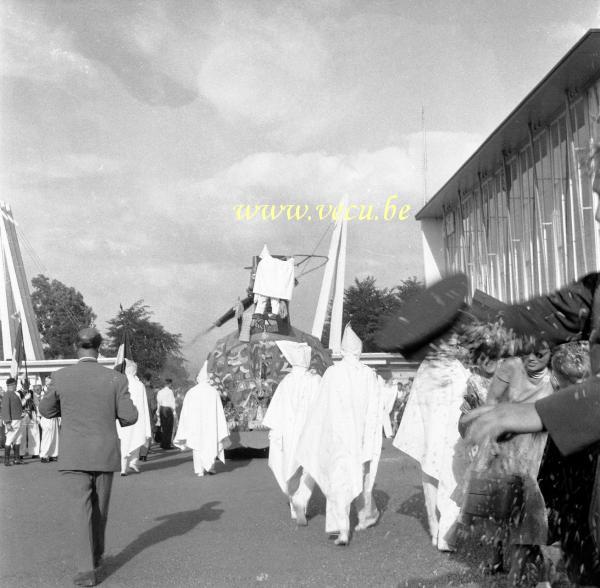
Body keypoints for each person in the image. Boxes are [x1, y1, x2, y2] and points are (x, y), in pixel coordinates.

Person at [40, 327, 137, 587]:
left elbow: (45, 410)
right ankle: (95, 557)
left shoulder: (60, 377)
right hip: (104, 454)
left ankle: (86, 570)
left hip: (73, 454)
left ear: (76, 346)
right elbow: (130, 417)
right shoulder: (116, 379)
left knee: (80, 511)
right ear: (99, 346)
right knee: (99, 510)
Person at [296, 323, 388, 546]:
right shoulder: (368, 375)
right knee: (356, 479)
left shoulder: (333, 373)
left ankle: (342, 529)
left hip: (336, 436)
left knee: (338, 482)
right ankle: (364, 517)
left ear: (343, 351)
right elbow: (376, 409)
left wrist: (316, 434)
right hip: (358, 439)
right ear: (359, 351)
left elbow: (320, 407)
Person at [394, 336, 470, 552]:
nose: (455, 348)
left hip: (452, 436)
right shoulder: (433, 368)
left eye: (456, 345)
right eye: (452, 344)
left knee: (447, 479)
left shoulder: (455, 369)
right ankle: (440, 529)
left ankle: (443, 530)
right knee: (441, 479)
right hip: (437, 436)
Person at [262, 341, 320, 524]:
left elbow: (276, 409)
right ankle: (301, 500)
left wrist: (275, 430)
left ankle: (294, 503)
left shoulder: (286, 382)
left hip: (287, 431)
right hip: (309, 431)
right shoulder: (315, 380)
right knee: (310, 469)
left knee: (288, 467)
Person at [173, 361, 229, 477]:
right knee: (211, 442)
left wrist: (186, 425)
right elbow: (219, 412)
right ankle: (211, 467)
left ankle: (199, 470)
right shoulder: (213, 392)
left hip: (195, 425)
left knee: (197, 446)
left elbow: (185, 413)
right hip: (210, 425)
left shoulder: (191, 392)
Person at [117, 359, 151, 476]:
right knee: (137, 438)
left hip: (124, 418)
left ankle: (123, 468)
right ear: (134, 371)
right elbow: (144, 405)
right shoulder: (139, 385)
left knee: (125, 442)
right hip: (137, 418)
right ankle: (133, 462)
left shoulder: (121, 383)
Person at [2, 377, 24, 466]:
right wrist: (7, 423)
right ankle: (6, 461)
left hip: (18, 419)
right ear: (11, 385)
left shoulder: (13, 394)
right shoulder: (7, 394)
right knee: (10, 439)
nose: (16, 386)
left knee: (18, 439)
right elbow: (5, 409)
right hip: (12, 421)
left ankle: (16, 459)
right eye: (15, 384)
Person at [39, 375, 59, 463]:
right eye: (46, 381)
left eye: (48, 381)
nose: (47, 382)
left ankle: (53, 454)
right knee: (47, 436)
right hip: (46, 416)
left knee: (55, 436)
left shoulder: (54, 389)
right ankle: (44, 455)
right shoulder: (43, 391)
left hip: (54, 415)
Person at [19, 378, 40, 459]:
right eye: (26, 383)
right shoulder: (18, 393)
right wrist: (25, 399)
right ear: (22, 384)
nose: (27, 384)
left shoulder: (32, 392)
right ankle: (21, 453)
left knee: (35, 433)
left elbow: (36, 404)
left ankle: (35, 452)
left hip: (32, 414)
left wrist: (38, 416)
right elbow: (18, 405)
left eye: (28, 383)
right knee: (22, 434)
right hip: (23, 414)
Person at [138, 373, 156, 462]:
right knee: (147, 435)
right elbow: (153, 406)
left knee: (139, 433)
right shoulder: (151, 391)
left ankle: (139, 454)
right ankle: (144, 455)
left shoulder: (139, 388)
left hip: (139, 415)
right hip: (148, 415)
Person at [156, 378, 176, 450]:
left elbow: (158, 402)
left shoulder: (160, 391)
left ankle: (163, 443)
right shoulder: (170, 391)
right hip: (168, 409)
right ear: (169, 384)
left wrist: (158, 411)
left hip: (162, 409)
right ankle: (167, 444)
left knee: (164, 427)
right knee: (169, 427)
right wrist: (173, 410)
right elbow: (172, 402)